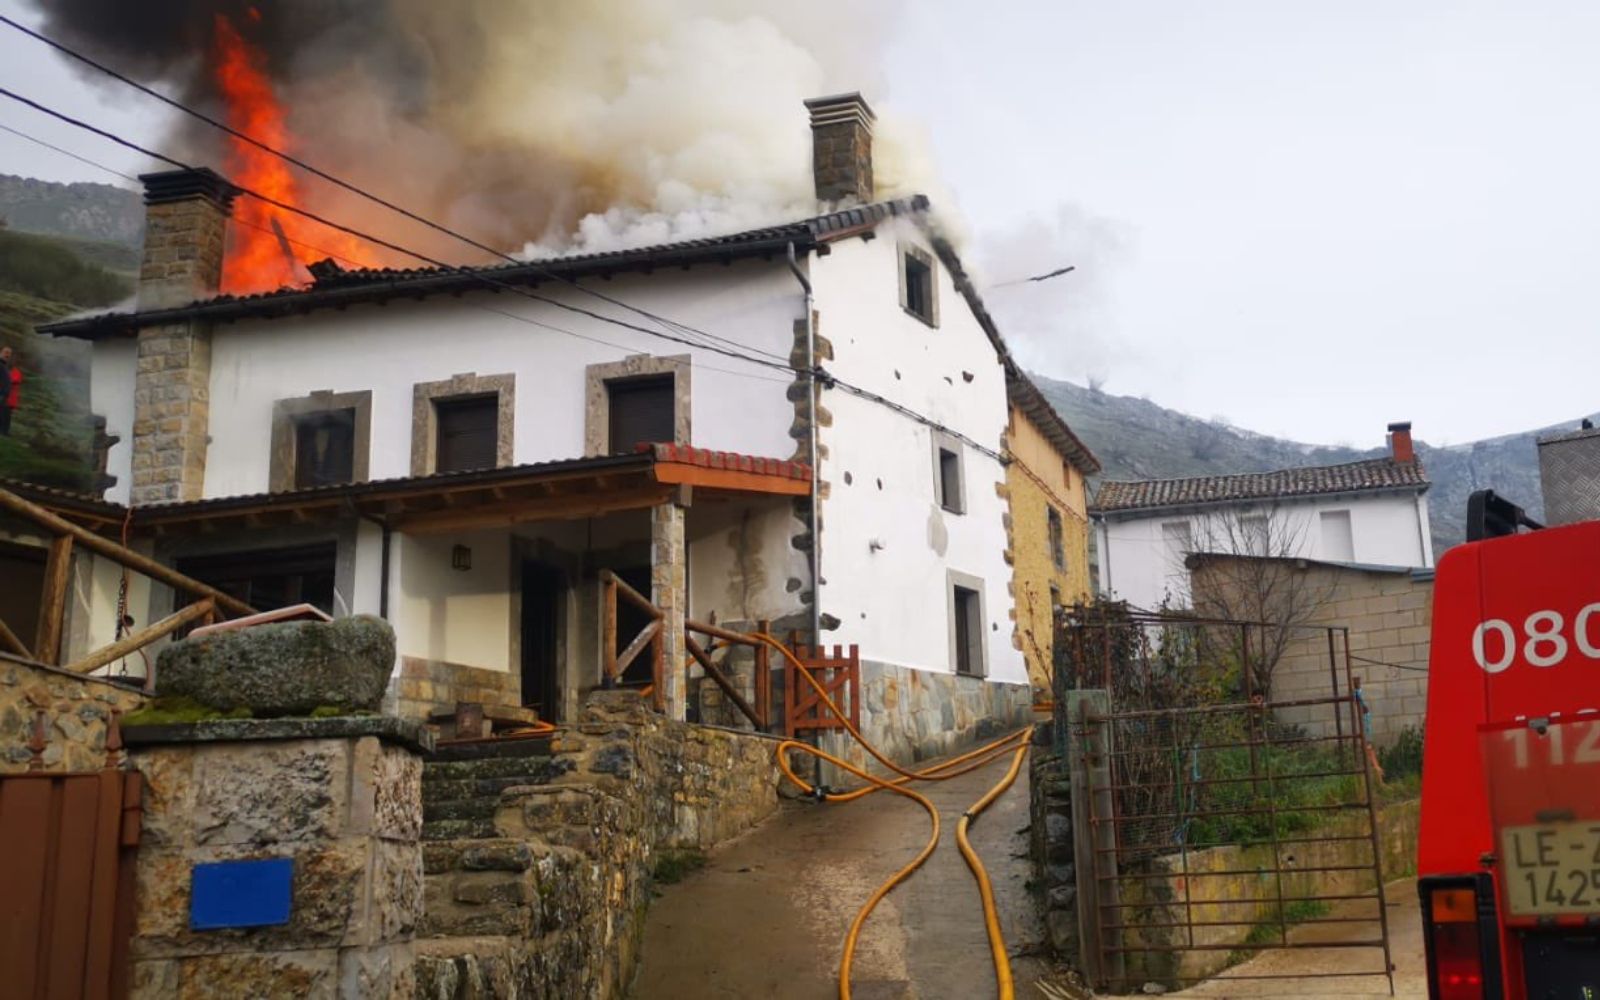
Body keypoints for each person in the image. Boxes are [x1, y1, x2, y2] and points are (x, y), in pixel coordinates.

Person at [0, 346, 18, 437]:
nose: (7, 355)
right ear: (1, 352)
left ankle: (3, 433)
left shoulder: (5, 366)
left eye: (9, 353)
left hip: (4, 394)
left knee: (4, 413)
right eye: (6, 352)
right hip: (1, 393)